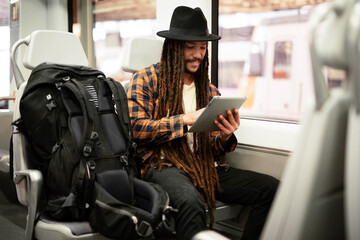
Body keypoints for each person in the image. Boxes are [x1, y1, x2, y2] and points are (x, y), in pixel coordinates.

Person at [127, 6, 279, 240]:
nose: (198, 54)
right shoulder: (146, 79)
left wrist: (224, 137)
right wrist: (185, 120)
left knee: (271, 190)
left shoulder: (208, 91)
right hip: (163, 166)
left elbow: (211, 148)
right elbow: (137, 129)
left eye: (203, 48)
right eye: (191, 47)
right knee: (190, 202)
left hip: (204, 167)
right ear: (175, 47)